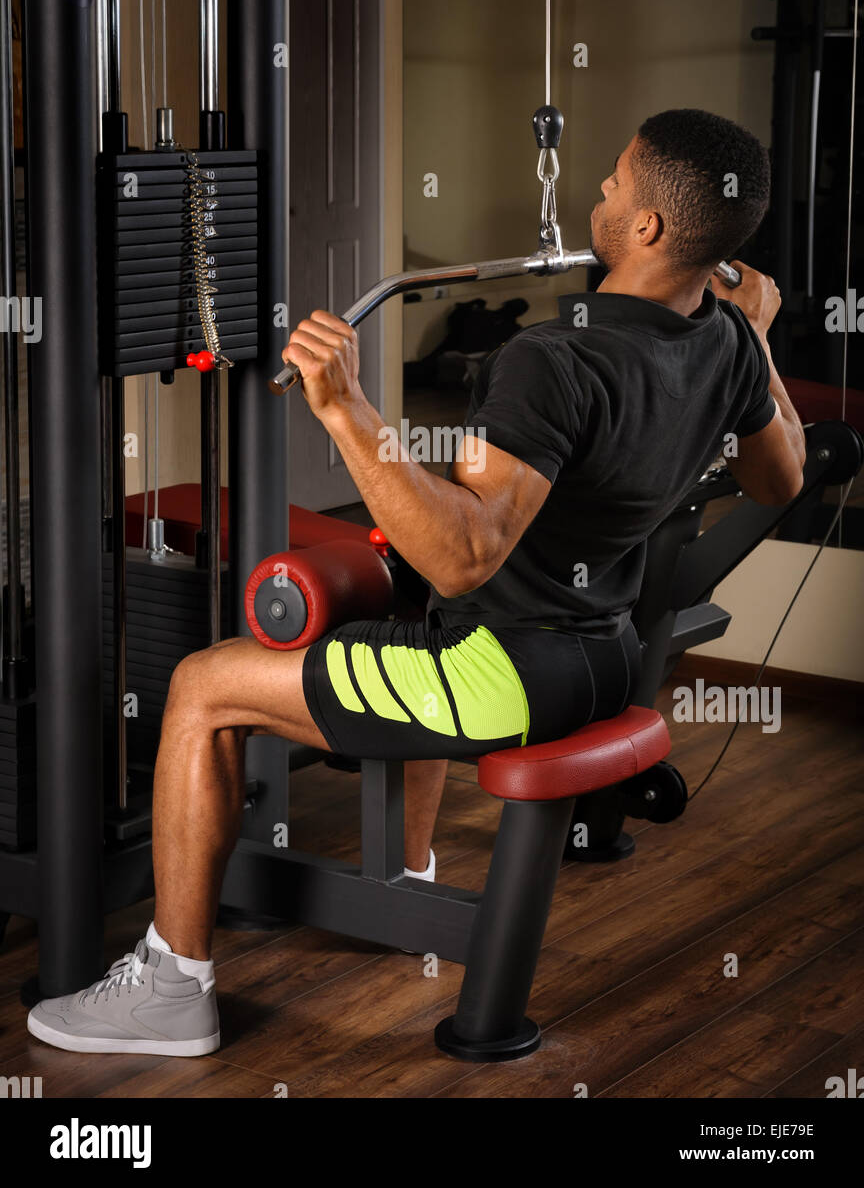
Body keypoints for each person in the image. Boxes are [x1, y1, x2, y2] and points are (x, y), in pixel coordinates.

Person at [27, 107, 805, 1056]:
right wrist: (760, 335)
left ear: (645, 228)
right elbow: (783, 479)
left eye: (612, 181)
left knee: (201, 687)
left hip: (503, 674)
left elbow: (464, 554)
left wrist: (345, 408)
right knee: (416, 614)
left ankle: (171, 987)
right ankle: (410, 879)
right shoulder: (722, 341)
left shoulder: (550, 360)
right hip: (604, 659)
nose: (597, 192)